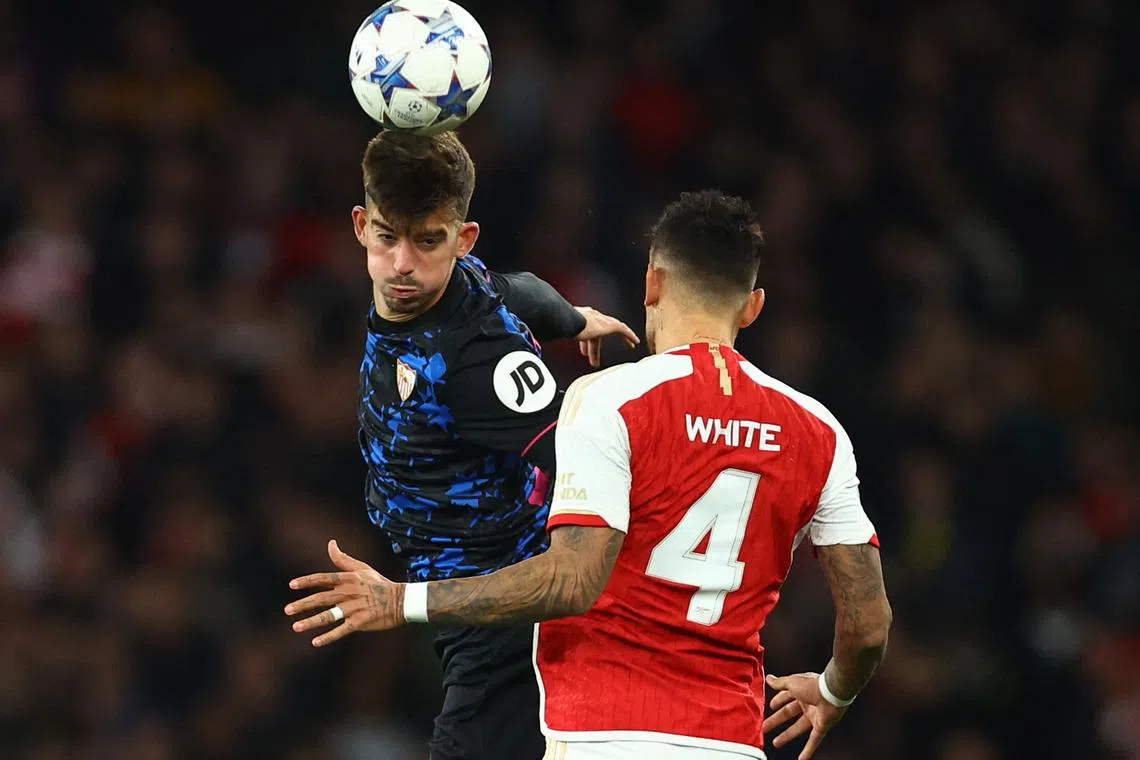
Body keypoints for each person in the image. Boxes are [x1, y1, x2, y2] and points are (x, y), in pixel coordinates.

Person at [287, 190, 891, 760]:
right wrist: (834, 691)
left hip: (602, 732)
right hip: (729, 740)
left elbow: (570, 581)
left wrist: (402, 601)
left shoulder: (609, 401)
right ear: (753, 306)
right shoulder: (818, 431)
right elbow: (867, 624)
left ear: (651, 283)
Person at [334, 129, 638, 760]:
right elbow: (518, 287)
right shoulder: (461, 280)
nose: (401, 266)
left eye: (427, 243)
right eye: (388, 237)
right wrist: (578, 319)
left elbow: (581, 460)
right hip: (463, 608)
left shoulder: (479, 364)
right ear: (362, 226)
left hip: (504, 617)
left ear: (461, 237)